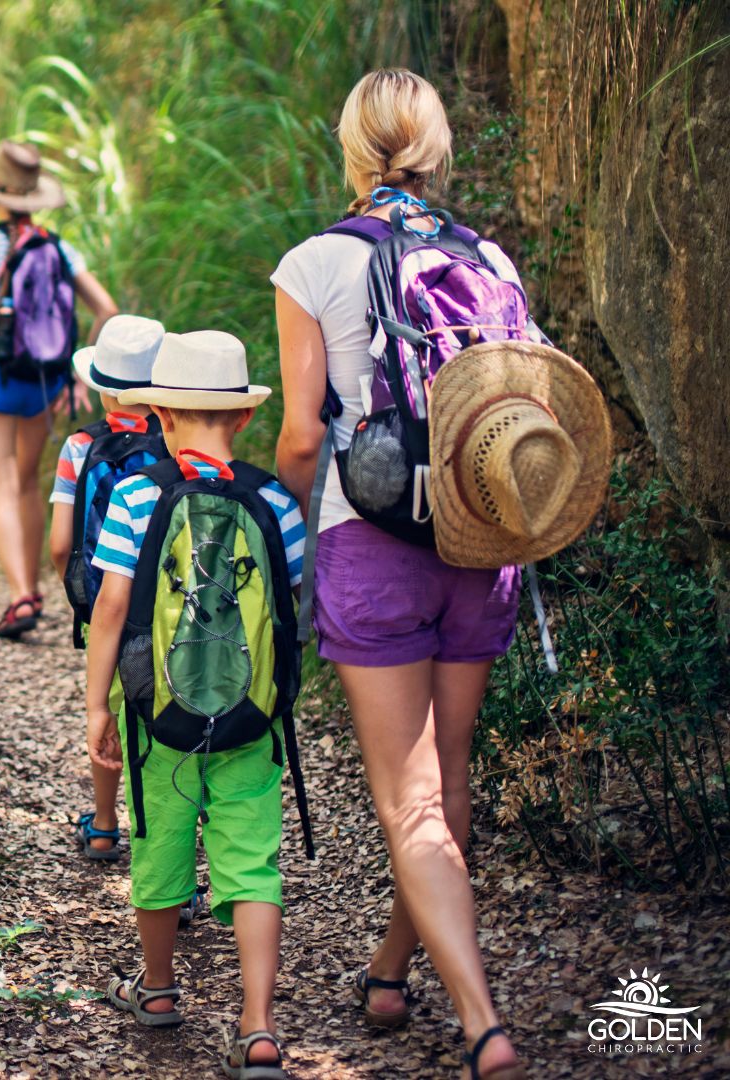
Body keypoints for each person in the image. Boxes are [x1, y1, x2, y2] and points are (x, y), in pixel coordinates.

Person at [271, 69, 528, 1080]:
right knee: (446, 780)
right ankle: (391, 966)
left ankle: (483, 1025)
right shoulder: (489, 258)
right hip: (481, 535)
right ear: (435, 145)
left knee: (408, 800)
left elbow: (301, 435)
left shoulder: (314, 262)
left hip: (373, 539)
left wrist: (296, 511)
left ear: (352, 147)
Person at [83, 330, 307, 1080]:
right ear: (242, 419)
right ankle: (259, 1025)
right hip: (252, 717)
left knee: (160, 842)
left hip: (158, 718)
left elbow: (112, 610)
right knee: (251, 860)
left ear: (162, 416)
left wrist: (96, 709)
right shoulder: (275, 499)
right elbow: (288, 606)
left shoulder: (137, 496)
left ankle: (155, 989)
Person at [0, 140, 119, 638]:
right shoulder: (58, 247)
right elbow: (108, 311)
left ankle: (21, 596)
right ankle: (33, 585)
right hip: (43, 377)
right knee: (29, 481)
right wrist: (78, 376)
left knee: (1, 485)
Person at [50, 315, 165, 863]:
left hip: (106, 608)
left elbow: (58, 541)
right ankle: (169, 851)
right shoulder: (179, 444)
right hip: (170, 610)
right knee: (165, 719)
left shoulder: (79, 447)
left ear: (101, 388)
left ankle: (102, 823)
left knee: (109, 712)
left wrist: (79, 594)